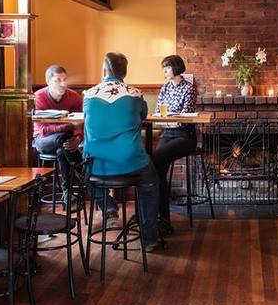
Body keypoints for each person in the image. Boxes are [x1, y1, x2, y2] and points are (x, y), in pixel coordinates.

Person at [83, 52, 161, 249]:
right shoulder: (135, 94)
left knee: (84, 175)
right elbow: (143, 115)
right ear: (124, 72)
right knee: (151, 181)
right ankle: (149, 239)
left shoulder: (88, 95)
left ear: (104, 70)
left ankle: (109, 206)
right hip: (130, 161)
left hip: (96, 163)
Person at [151, 55, 197, 235]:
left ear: (176, 68)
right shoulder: (165, 87)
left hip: (185, 136)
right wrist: (168, 121)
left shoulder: (189, 88)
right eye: (164, 68)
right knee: (156, 167)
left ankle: (162, 218)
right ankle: (162, 219)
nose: (164, 71)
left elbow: (185, 119)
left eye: (167, 67)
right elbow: (157, 113)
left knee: (155, 159)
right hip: (168, 133)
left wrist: (168, 120)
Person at [33, 65, 83, 185]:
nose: (63, 84)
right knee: (63, 138)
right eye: (58, 80)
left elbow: (80, 124)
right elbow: (43, 130)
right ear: (48, 82)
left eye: (65, 80)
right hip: (43, 140)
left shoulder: (75, 97)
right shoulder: (39, 96)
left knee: (62, 150)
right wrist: (65, 127)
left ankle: (67, 190)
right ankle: (84, 176)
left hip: (67, 140)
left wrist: (78, 139)